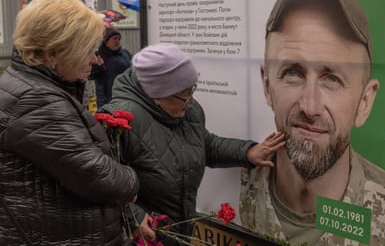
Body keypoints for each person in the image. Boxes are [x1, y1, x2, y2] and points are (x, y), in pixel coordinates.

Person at [239, 0, 385, 246]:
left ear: (365, 102)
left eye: (332, 79)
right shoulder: (233, 189)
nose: (310, 107)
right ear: (266, 85)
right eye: (293, 73)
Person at [0, 0, 139, 245]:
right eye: (87, 49)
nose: (94, 58)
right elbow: (102, 179)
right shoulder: (36, 100)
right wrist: (132, 181)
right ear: (52, 53)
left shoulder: (26, 83)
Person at [101, 43, 285, 245]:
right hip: (145, 237)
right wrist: (133, 216)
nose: (191, 101)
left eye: (192, 90)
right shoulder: (120, 121)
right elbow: (100, 181)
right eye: (184, 94)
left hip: (178, 233)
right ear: (157, 94)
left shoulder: (188, 111)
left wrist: (248, 152)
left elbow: (205, 145)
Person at [90, 27, 132, 108]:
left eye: (119, 39)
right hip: (106, 98)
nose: (117, 41)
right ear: (106, 40)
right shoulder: (99, 56)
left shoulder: (125, 54)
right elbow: (91, 76)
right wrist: (98, 66)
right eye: (114, 38)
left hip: (125, 94)